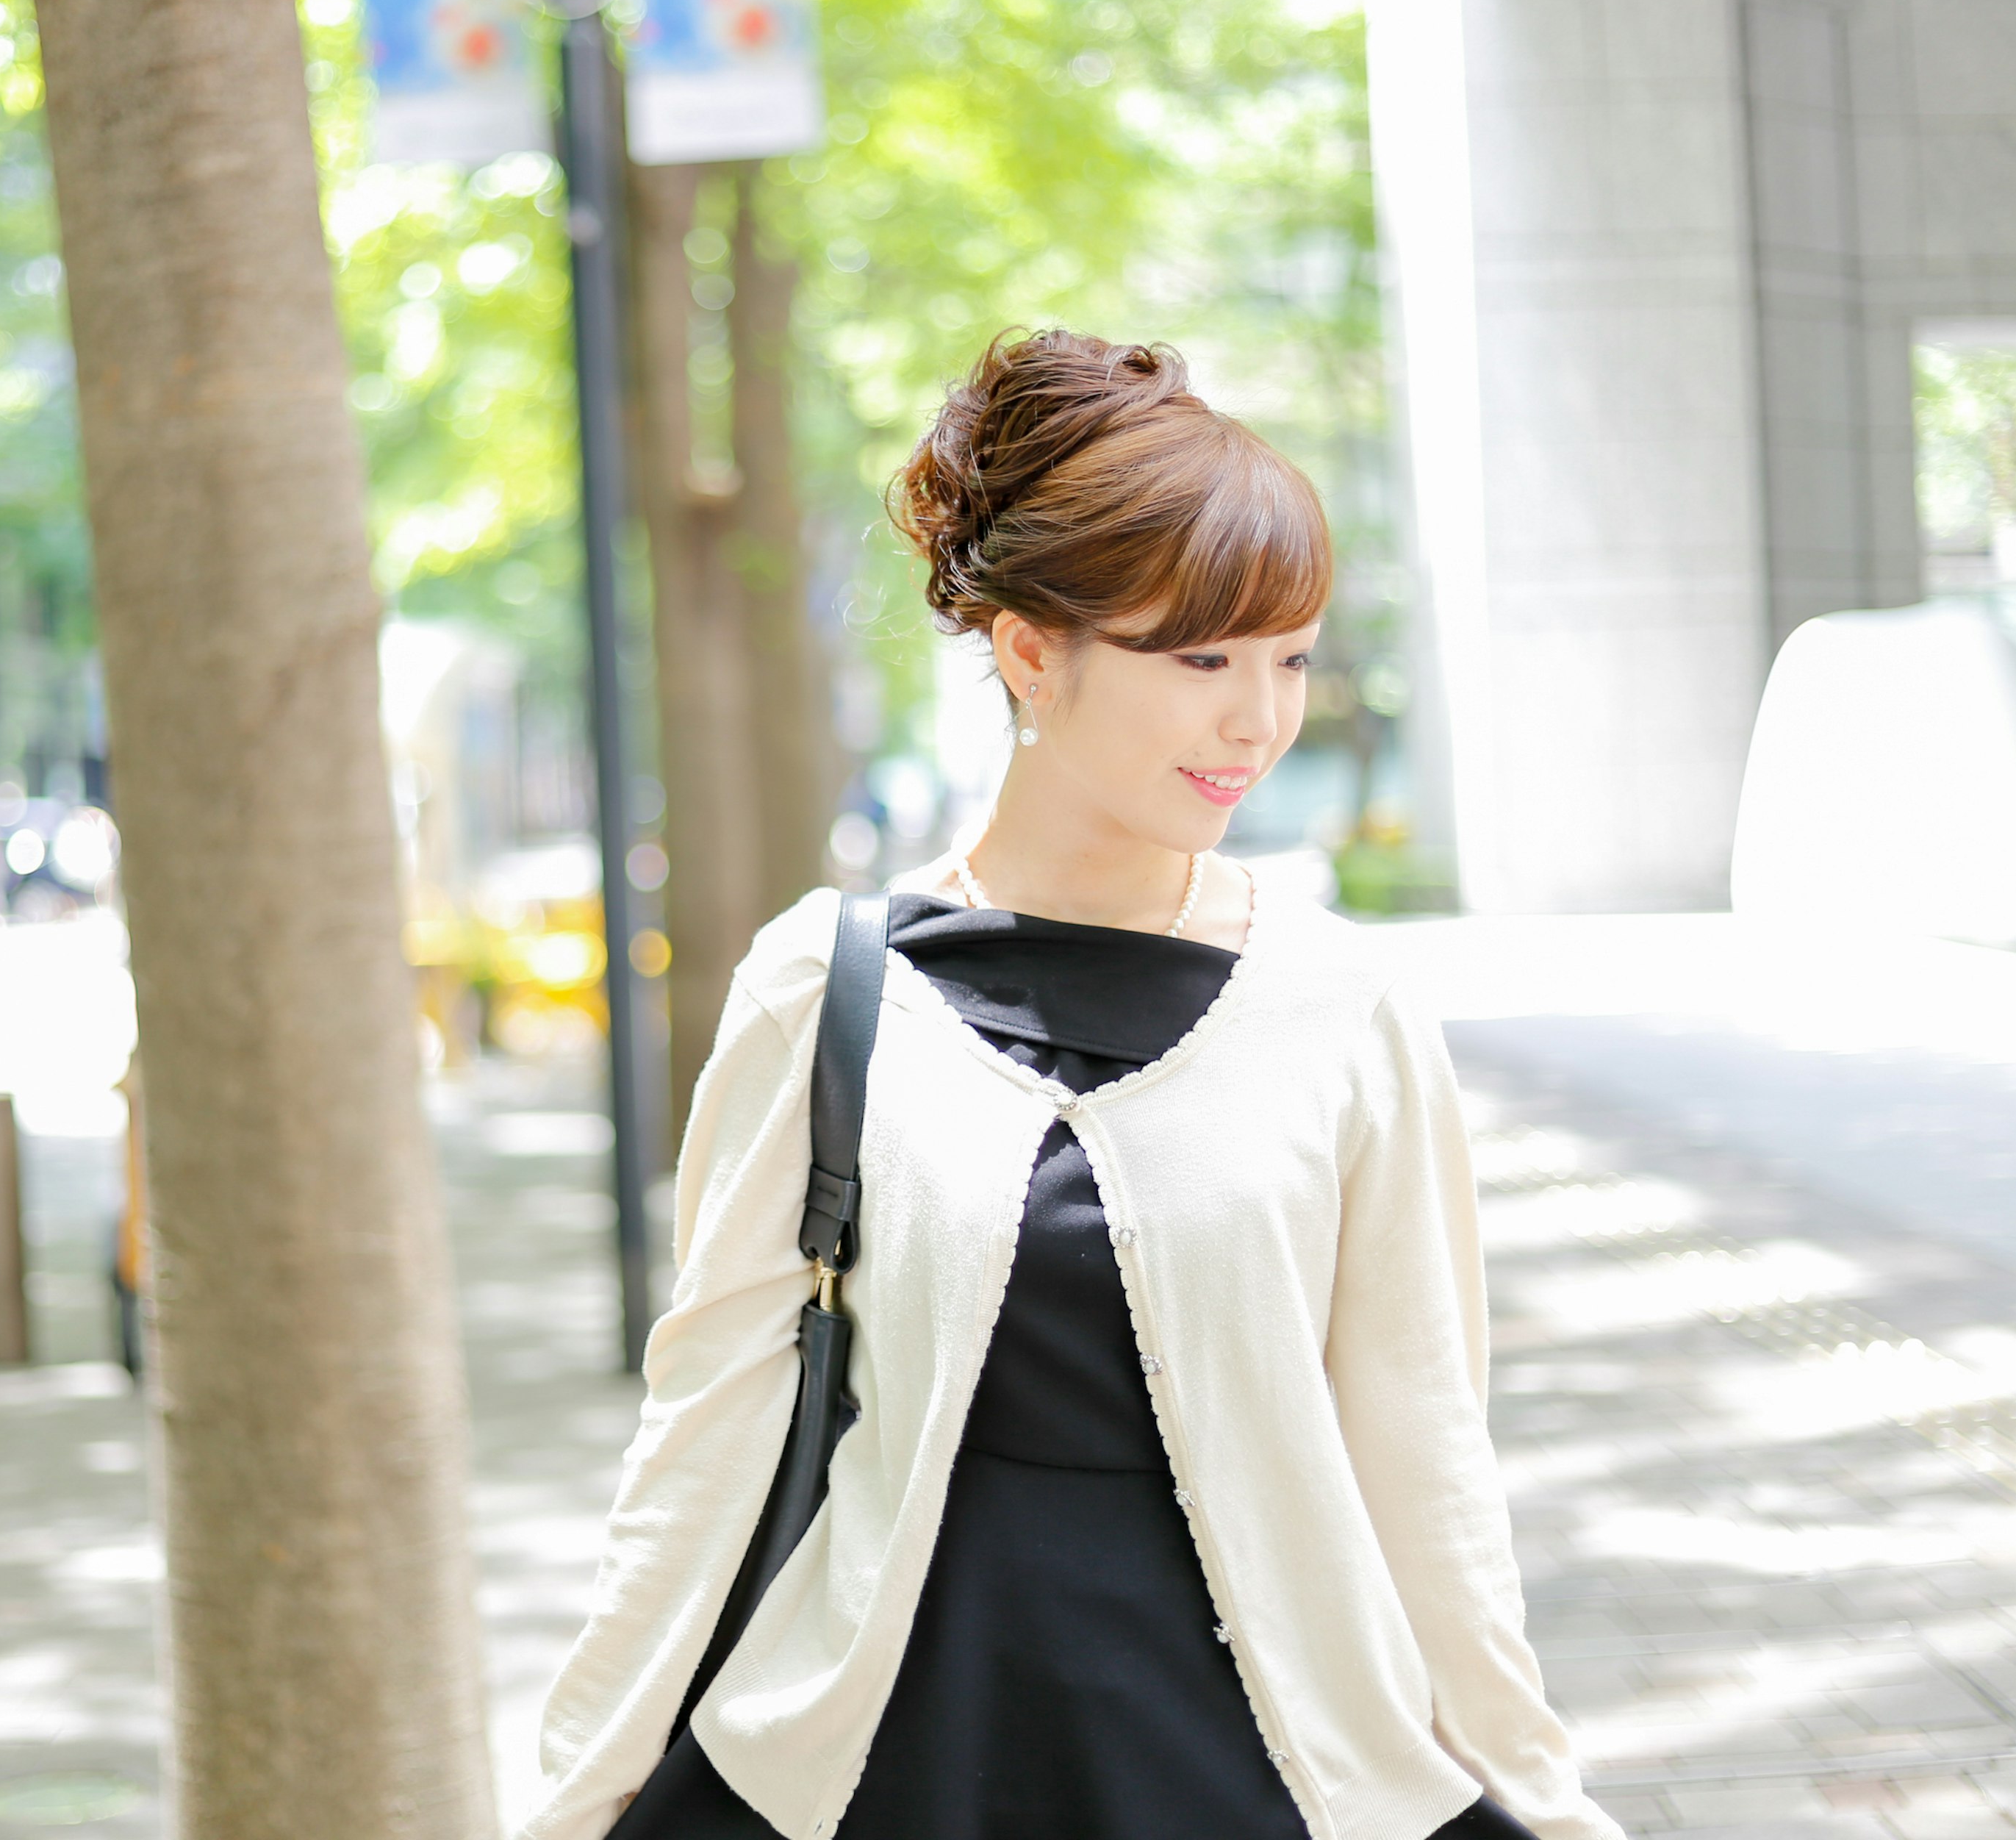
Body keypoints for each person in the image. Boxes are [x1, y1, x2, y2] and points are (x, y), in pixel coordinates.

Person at [515, 331, 1621, 1840]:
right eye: (1201, 660)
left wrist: (1540, 1793)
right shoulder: (830, 986)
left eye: (1290, 658)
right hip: (903, 1749)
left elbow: (1421, 1447)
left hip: (1253, 1759)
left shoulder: (1339, 1011)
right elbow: (703, 1427)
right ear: (1034, 652)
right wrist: (579, 1796)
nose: (1259, 718)